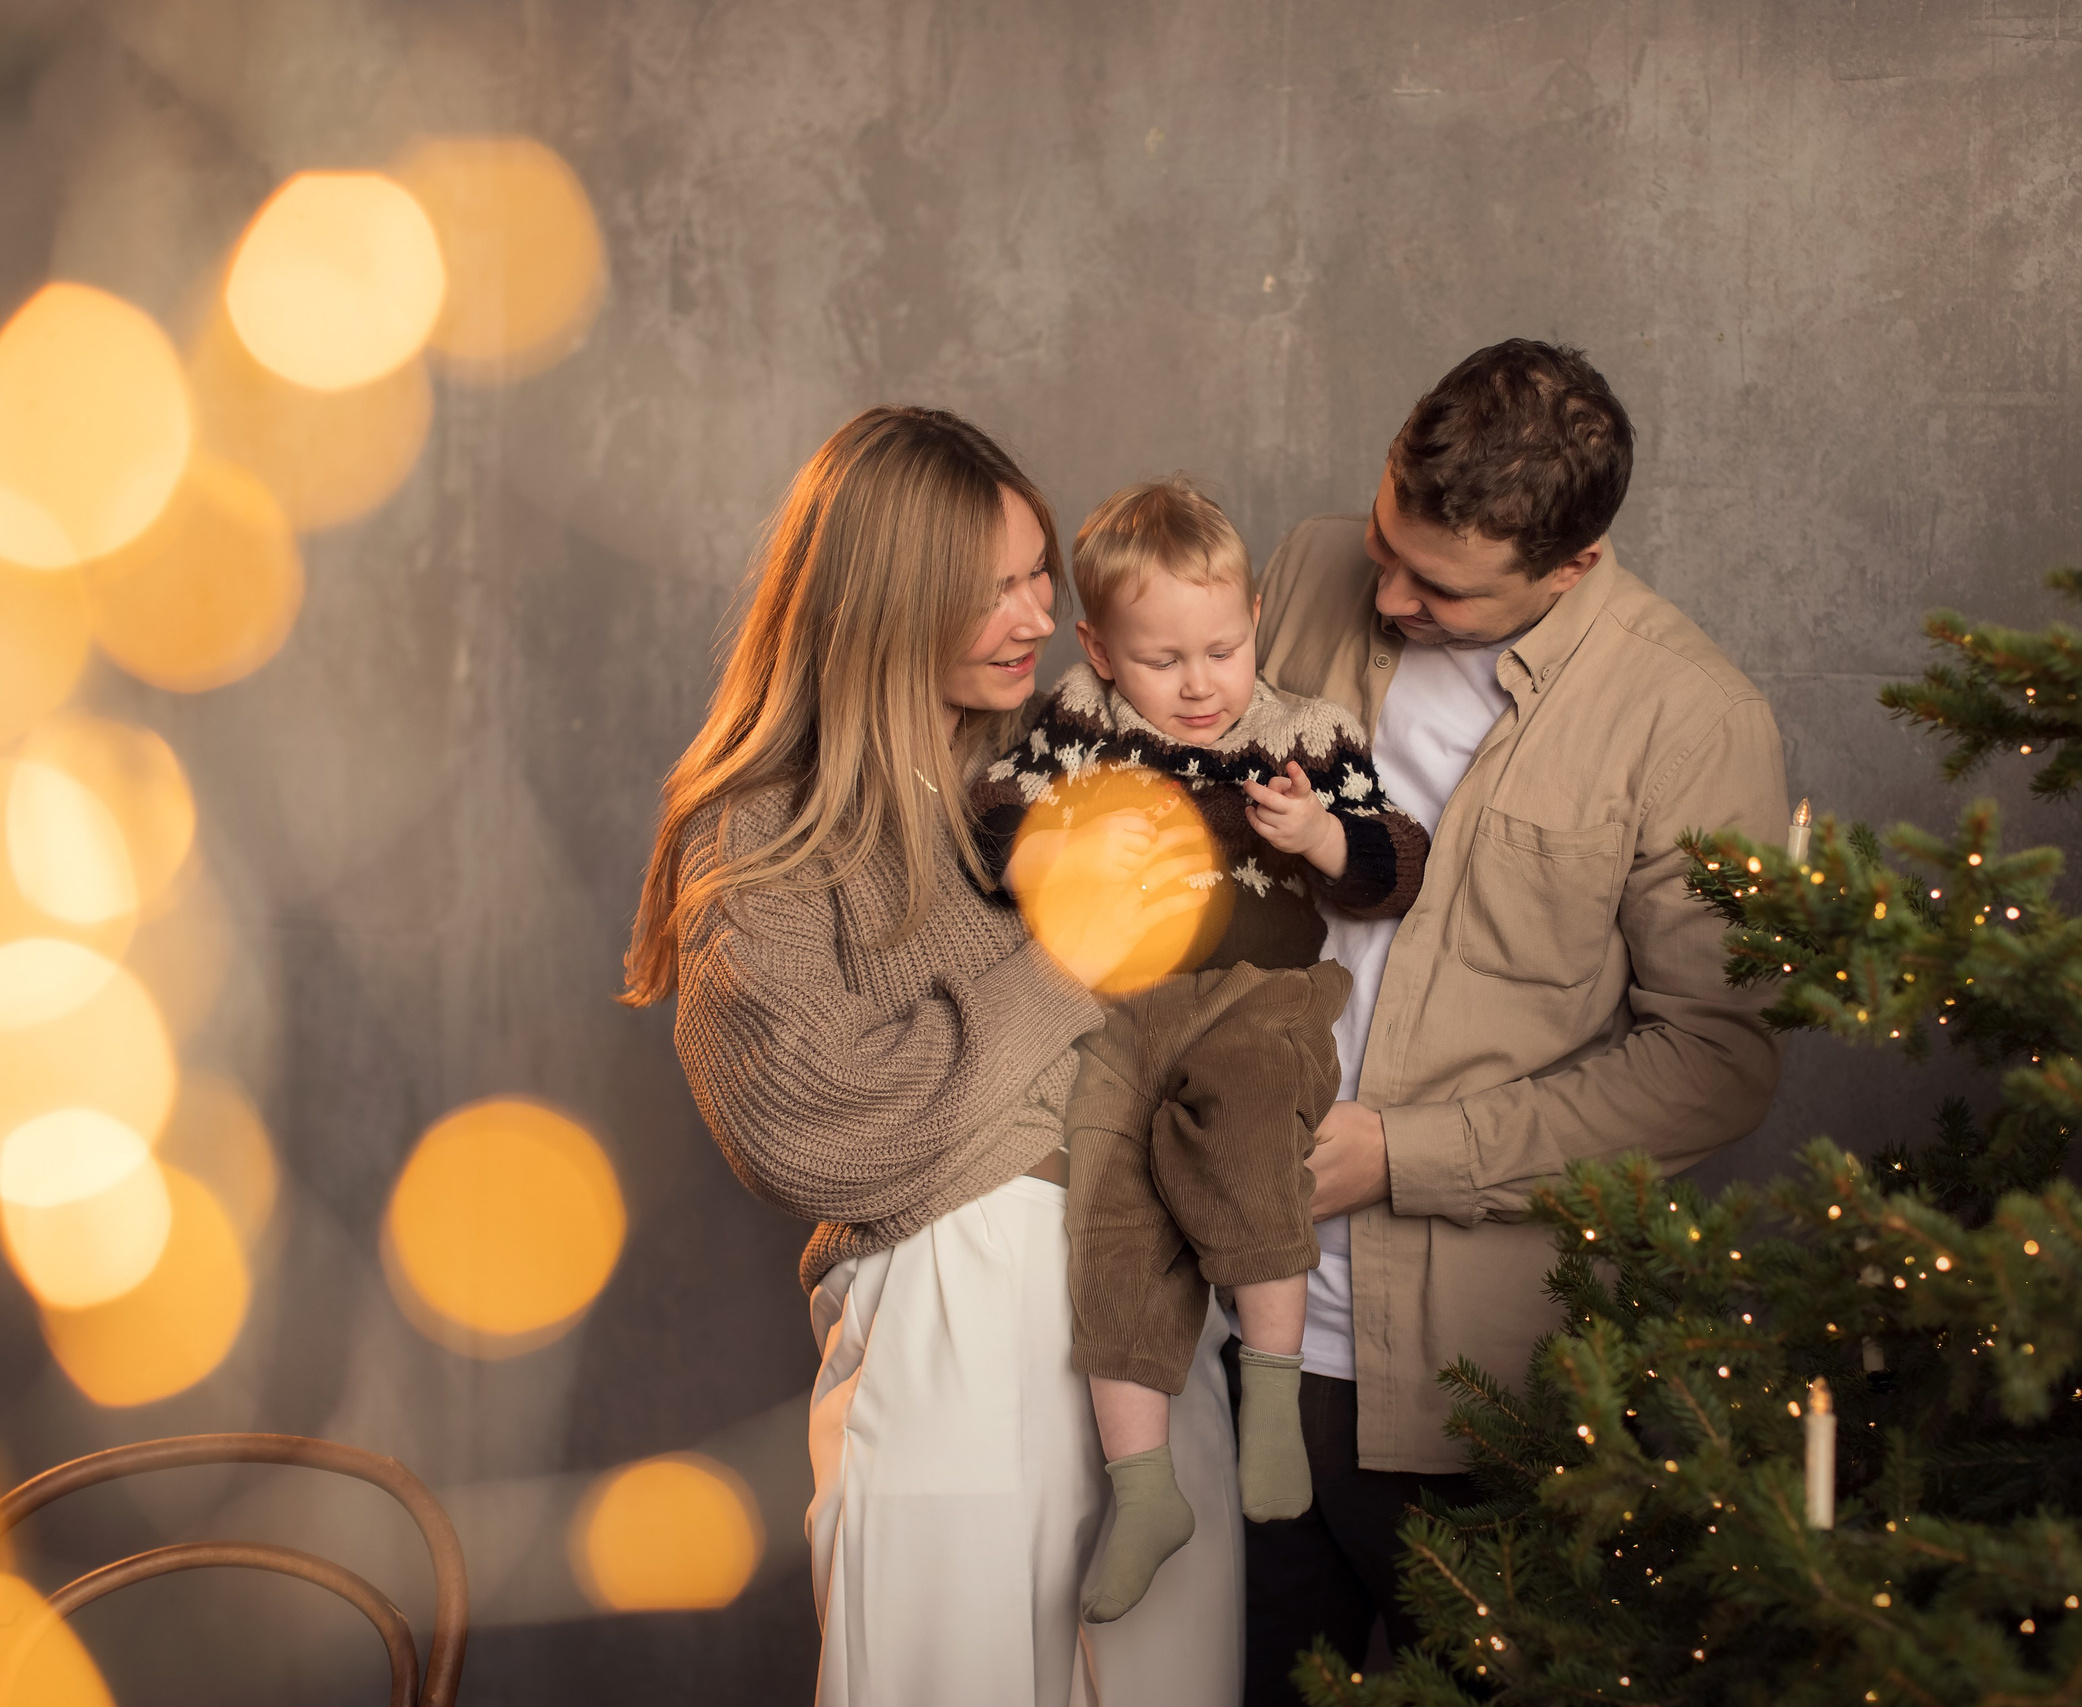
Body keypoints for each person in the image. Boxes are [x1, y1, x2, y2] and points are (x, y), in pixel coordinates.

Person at [623, 408, 1243, 1706]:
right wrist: (1071, 971)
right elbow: (818, 1121)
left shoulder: (1039, 778)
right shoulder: (761, 832)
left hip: (1148, 1323)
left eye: (1037, 575)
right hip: (958, 1328)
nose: (1034, 612)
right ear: (887, 601)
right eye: (991, 588)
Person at [1242, 340, 1788, 1699]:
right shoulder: (1305, 568)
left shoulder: (1693, 718)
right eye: (1384, 544)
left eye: (1438, 587)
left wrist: (1405, 1152)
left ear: (1573, 565)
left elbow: (1717, 1061)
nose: (1385, 593)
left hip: (1469, 1386)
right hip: (1227, 1336)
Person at [969, 478, 1428, 1624]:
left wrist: (1321, 835)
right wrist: (1067, 842)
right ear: (1098, 647)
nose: (1196, 684)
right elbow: (988, 834)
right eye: (1161, 657)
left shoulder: (1306, 733)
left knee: (1246, 1122)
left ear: (1256, 621)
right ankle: (1143, 1488)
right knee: (1110, 1213)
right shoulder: (1075, 720)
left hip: (1261, 999)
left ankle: (1270, 1401)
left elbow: (1393, 864)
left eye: (1220, 649)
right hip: (1120, 1014)